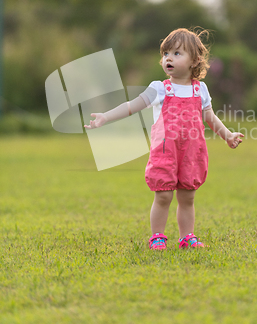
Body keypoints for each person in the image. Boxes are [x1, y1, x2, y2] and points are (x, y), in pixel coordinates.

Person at [84, 28, 244, 250]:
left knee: (187, 197)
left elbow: (210, 117)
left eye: (177, 53)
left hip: (191, 153)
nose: (168, 58)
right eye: (166, 53)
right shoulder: (160, 88)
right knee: (164, 196)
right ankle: (157, 237)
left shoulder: (200, 90)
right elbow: (132, 106)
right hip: (165, 151)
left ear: (194, 60)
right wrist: (105, 116)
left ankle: (187, 237)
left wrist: (227, 135)